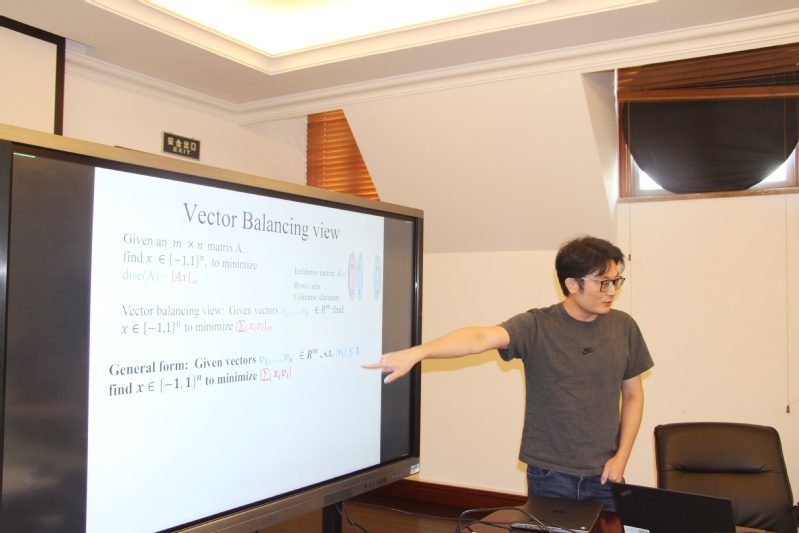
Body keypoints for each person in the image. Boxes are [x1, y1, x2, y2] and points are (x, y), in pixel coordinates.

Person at [363, 235, 653, 511]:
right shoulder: (538, 326)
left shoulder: (624, 327)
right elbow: (478, 338)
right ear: (572, 284)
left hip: (607, 474)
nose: (612, 291)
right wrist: (418, 352)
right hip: (549, 475)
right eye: (603, 283)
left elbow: (633, 396)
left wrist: (621, 457)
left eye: (616, 281)